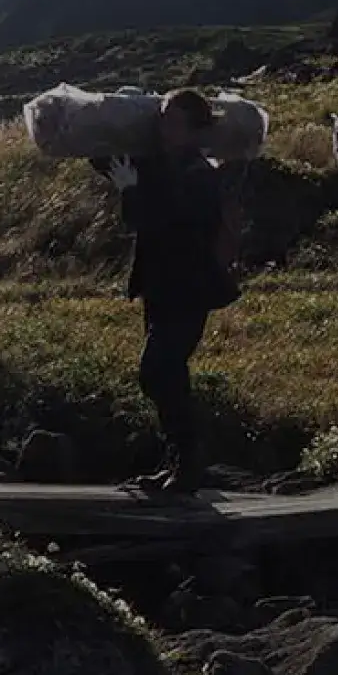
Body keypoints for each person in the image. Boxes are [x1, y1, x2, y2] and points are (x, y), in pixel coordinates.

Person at [92, 89, 241, 497]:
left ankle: (190, 463)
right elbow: (102, 158)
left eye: (175, 123)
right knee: (164, 375)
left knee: (158, 371)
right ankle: (179, 462)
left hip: (188, 287)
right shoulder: (164, 165)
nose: (165, 130)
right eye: (162, 120)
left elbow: (166, 221)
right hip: (161, 286)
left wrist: (130, 191)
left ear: (195, 131)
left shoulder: (200, 175)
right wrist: (110, 124)